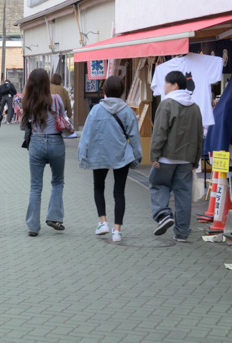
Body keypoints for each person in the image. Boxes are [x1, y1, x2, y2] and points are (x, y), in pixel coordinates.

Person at [77, 75, 142, 243]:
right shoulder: (127, 111)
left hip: (99, 154)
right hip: (122, 155)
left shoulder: (96, 110)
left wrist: (82, 156)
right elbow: (134, 137)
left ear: (104, 90)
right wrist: (137, 157)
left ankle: (103, 222)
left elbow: (86, 136)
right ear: (121, 91)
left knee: (99, 187)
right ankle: (117, 231)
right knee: (119, 193)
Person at [149, 70, 204, 242]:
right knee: (184, 194)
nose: (164, 87)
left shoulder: (167, 104)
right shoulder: (195, 108)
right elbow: (198, 135)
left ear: (174, 85)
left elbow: (159, 132)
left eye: (166, 83)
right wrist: (196, 160)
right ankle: (181, 232)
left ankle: (164, 214)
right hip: (187, 159)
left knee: (158, 184)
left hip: (166, 157)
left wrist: (154, 155)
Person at [20, 68, 68, 236]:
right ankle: (54, 217)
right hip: (56, 142)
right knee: (57, 182)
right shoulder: (56, 99)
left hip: (36, 143)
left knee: (35, 186)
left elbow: (21, 125)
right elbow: (62, 118)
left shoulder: (27, 101)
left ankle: (33, 226)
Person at [50, 74, 76, 138]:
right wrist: (69, 115)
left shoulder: (47, 87)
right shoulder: (63, 90)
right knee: (58, 126)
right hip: (60, 112)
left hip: (49, 111)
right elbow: (68, 103)